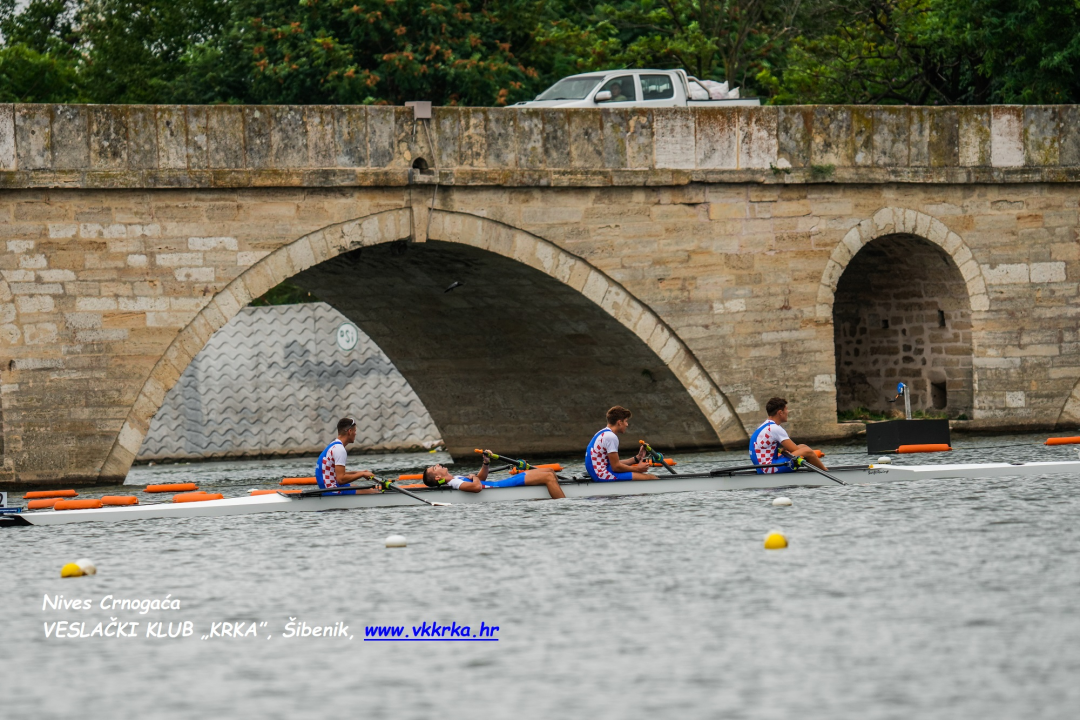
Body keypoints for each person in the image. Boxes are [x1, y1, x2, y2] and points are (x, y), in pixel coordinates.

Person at [421, 451, 565, 499]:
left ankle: (556, 492)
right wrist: (474, 477)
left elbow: (481, 479)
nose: (438, 464)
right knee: (548, 477)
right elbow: (477, 487)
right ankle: (563, 503)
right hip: (502, 486)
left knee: (549, 471)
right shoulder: (454, 483)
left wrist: (486, 463)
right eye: (435, 467)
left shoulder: (455, 478)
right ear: (438, 478)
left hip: (504, 482)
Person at [750, 397, 829, 474]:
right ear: (780, 413)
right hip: (768, 469)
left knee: (802, 446)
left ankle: (815, 471)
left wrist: (786, 449)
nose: (787, 412)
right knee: (807, 451)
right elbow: (795, 450)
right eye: (786, 409)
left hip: (763, 467)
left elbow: (794, 449)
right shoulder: (775, 428)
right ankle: (825, 472)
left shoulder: (765, 426)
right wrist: (812, 454)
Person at [584, 406, 657, 481]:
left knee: (643, 476)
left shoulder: (602, 433)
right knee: (651, 478)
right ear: (619, 422)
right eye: (626, 421)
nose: (627, 424)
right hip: (602, 475)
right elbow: (616, 467)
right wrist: (638, 469)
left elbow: (614, 463)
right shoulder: (611, 437)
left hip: (599, 472)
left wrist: (638, 457)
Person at [315, 417, 375, 493]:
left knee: (357, 487)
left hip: (328, 487)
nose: (355, 433)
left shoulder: (333, 445)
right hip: (333, 491)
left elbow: (337, 474)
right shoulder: (339, 449)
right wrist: (362, 474)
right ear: (350, 431)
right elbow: (341, 479)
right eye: (355, 431)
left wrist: (360, 472)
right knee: (374, 492)